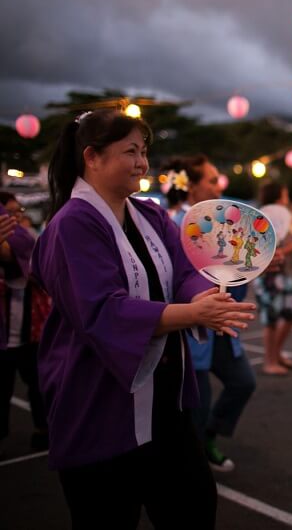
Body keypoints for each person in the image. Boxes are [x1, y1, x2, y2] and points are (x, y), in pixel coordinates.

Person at [32, 110, 256, 529]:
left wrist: (208, 297)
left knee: (193, 510)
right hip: (99, 404)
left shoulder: (150, 216)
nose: (142, 163)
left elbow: (186, 271)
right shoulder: (71, 226)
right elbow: (101, 309)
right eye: (130, 151)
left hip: (164, 403)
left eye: (145, 151)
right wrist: (192, 313)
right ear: (92, 157)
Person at [167, 154, 256, 472]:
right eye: (211, 180)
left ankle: (206, 437)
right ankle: (195, 456)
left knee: (243, 382)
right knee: (197, 402)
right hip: (190, 332)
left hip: (219, 325)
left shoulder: (224, 227)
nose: (218, 187)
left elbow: (233, 285)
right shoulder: (171, 227)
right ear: (190, 187)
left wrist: (252, 268)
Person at [0, 192, 50, 454]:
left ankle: (43, 431)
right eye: (9, 214)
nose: (15, 217)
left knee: (39, 385)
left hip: (31, 331)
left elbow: (33, 270)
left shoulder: (26, 239)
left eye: (17, 212)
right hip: (5, 336)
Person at [256, 182, 292, 376]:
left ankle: (276, 354)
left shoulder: (281, 218)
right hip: (270, 276)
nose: (287, 198)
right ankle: (269, 361)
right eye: (285, 194)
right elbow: (270, 252)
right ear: (278, 197)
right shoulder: (267, 219)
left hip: (283, 275)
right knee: (271, 320)